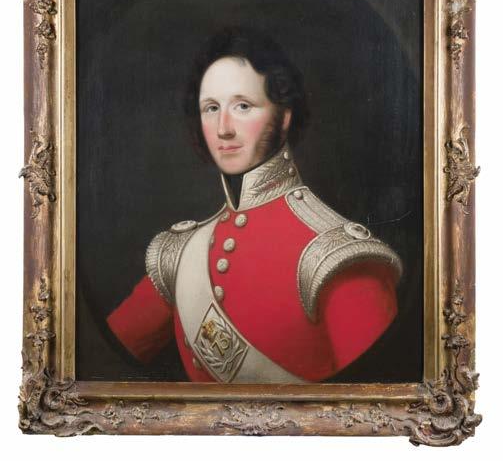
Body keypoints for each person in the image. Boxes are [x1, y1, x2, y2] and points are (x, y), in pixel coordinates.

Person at [106, 26, 402, 383]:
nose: (223, 129)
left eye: (243, 106)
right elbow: (101, 358)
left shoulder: (336, 255)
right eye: (211, 108)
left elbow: (373, 402)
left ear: (284, 117)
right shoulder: (182, 253)